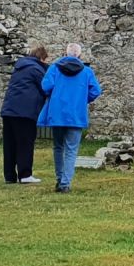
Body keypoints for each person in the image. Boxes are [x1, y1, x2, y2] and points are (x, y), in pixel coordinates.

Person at [37, 42, 102, 193]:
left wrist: (55, 96)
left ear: (65, 54)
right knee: (71, 149)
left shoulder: (54, 68)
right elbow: (96, 91)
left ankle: (59, 180)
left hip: (57, 113)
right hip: (76, 114)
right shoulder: (86, 72)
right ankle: (65, 183)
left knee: (58, 147)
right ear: (79, 55)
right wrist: (82, 99)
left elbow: (46, 87)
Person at [0, 43, 49, 185]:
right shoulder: (36, 69)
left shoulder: (20, 68)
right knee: (25, 142)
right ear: (42, 58)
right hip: (24, 112)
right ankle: (25, 174)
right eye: (46, 59)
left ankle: (9, 176)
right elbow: (45, 87)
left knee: (10, 144)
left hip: (8, 110)